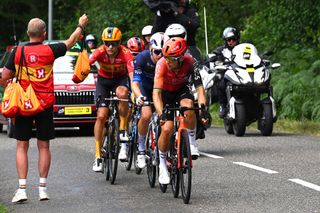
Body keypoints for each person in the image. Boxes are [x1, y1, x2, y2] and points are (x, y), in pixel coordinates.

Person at [0, 14, 88, 203]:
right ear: (44, 33)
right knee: (44, 145)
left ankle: (22, 189)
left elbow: (4, 76)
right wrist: (80, 25)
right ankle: (42, 189)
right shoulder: (51, 50)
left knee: (22, 145)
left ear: (27, 33)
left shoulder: (17, 52)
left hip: (24, 104)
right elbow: (71, 41)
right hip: (46, 104)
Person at [153, 37, 208, 184]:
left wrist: (203, 108)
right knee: (167, 129)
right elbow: (156, 94)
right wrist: (161, 114)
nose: (168, 62)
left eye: (171, 59)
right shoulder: (162, 64)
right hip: (164, 93)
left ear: (181, 58)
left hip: (181, 91)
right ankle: (163, 165)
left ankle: (191, 142)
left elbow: (200, 89)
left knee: (189, 105)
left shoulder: (191, 63)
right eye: (167, 58)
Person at [89, 27, 133, 172]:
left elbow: (132, 74)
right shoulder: (99, 51)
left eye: (113, 43)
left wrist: (134, 92)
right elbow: (88, 62)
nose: (110, 47)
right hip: (104, 82)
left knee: (123, 94)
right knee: (101, 115)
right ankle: (97, 155)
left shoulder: (126, 53)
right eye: (107, 43)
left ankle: (122, 130)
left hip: (120, 80)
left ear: (119, 42)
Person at [131, 32, 165, 169]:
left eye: (163, 52)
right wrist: (138, 96)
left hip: (161, 89)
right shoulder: (142, 58)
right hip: (145, 89)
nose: (160, 55)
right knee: (146, 115)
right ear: (151, 49)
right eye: (157, 52)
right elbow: (135, 82)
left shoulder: (167, 60)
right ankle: (140, 149)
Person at [207, 26, 240, 118]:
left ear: (237, 38)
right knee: (221, 83)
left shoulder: (243, 48)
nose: (231, 42)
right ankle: (223, 105)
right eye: (228, 40)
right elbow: (213, 55)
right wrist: (213, 58)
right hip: (227, 73)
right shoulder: (221, 50)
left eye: (233, 39)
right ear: (225, 40)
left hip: (240, 73)